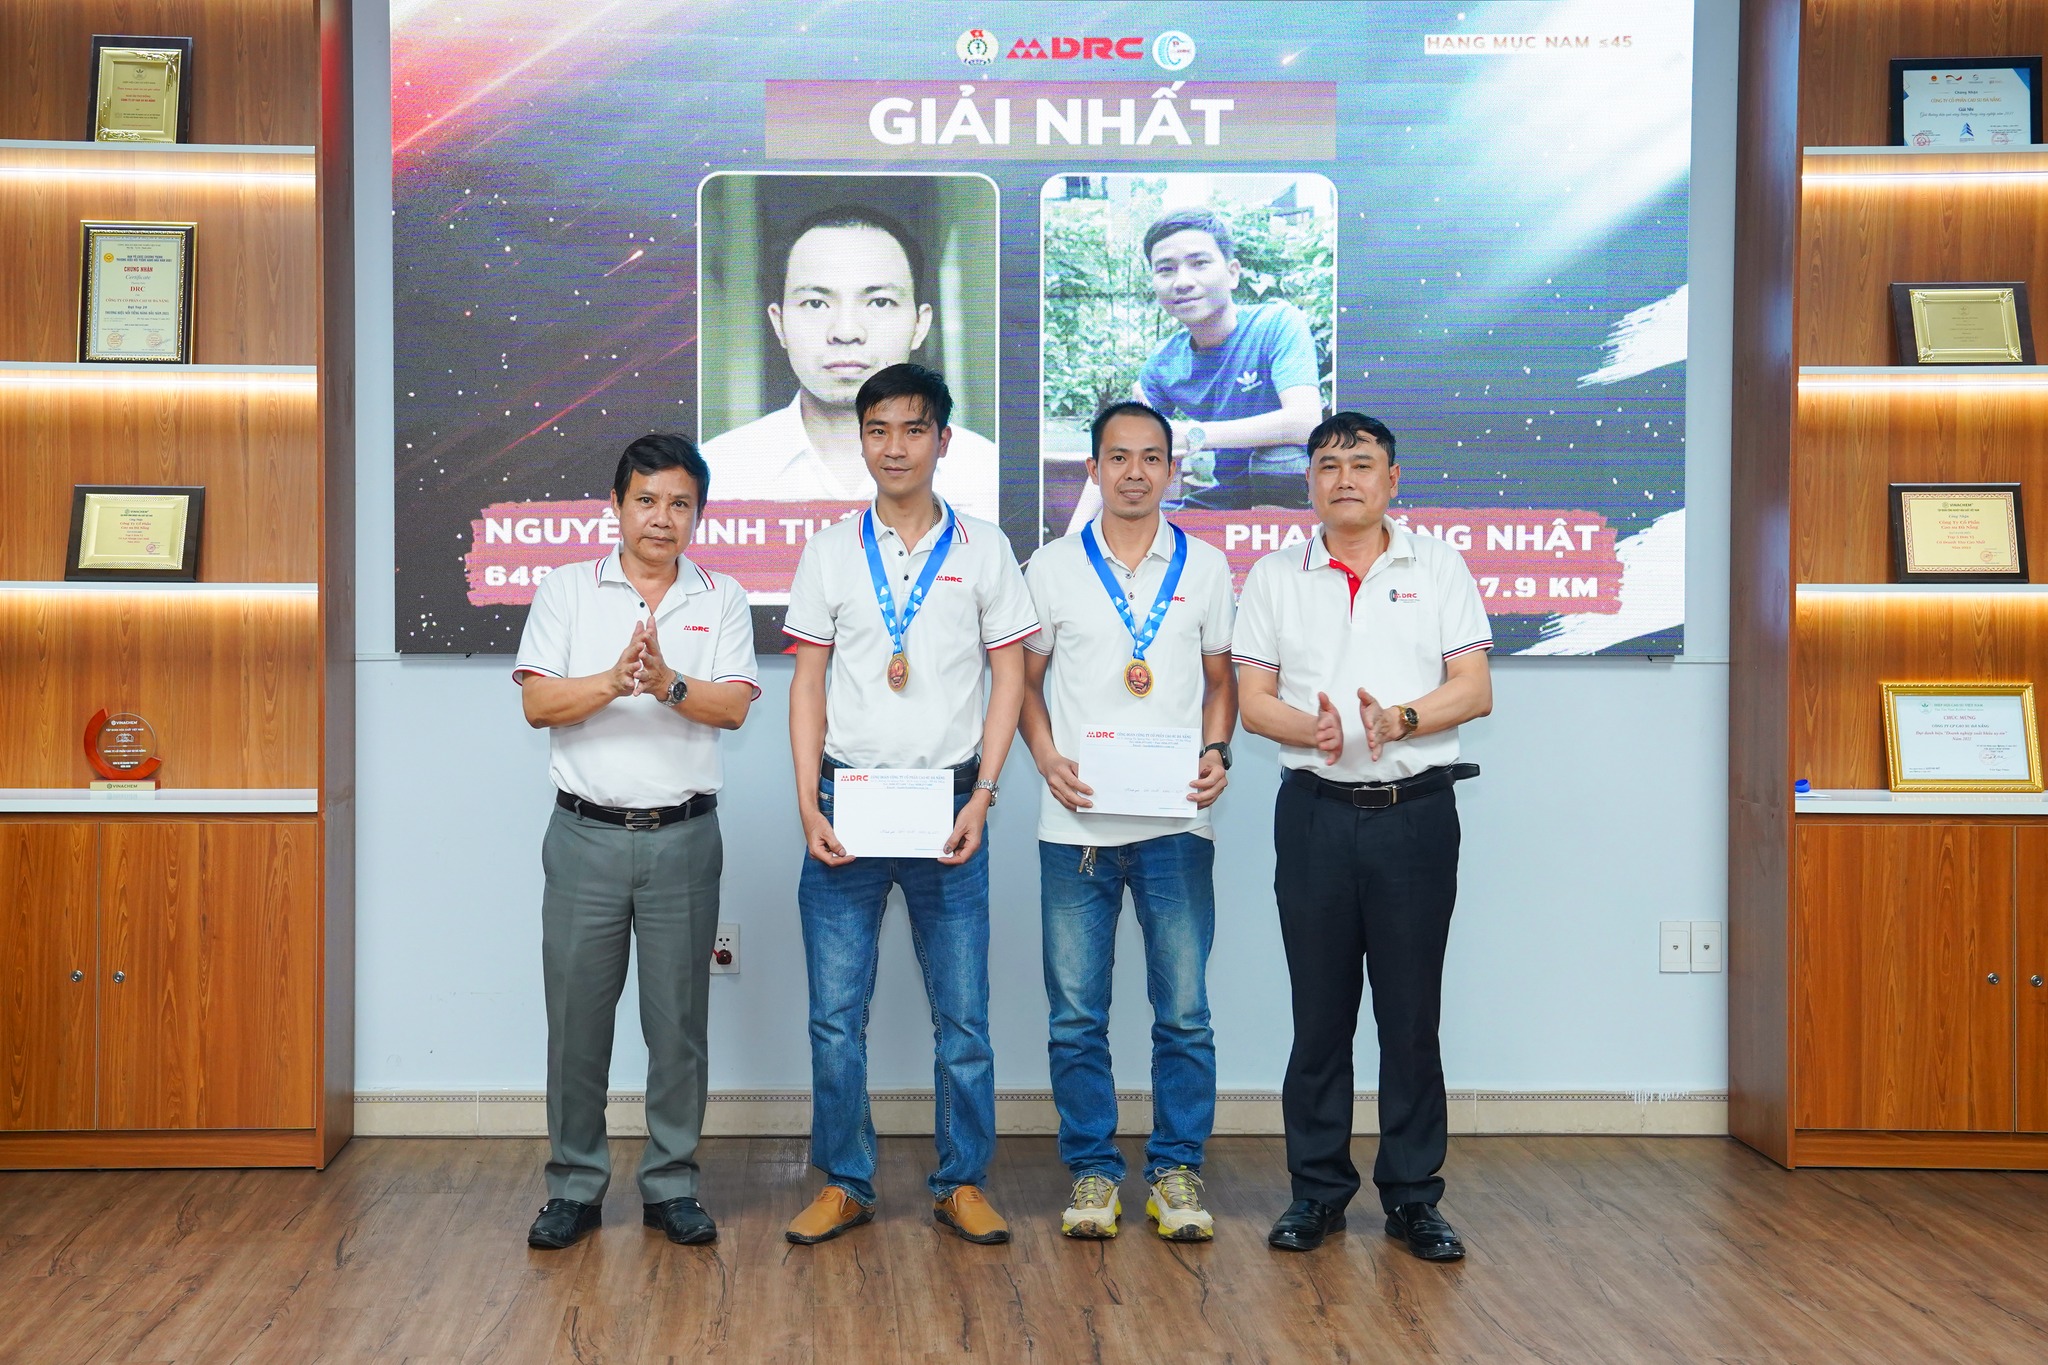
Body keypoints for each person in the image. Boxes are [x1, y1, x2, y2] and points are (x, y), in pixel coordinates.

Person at [780, 362, 1039, 1246]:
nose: (896, 447)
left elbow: (1009, 677)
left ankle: (961, 1181)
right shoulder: (829, 550)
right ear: (861, 440)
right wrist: (807, 803)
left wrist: (986, 794)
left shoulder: (986, 548)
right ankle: (846, 1180)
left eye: (913, 428)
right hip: (845, 803)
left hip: (951, 806)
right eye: (878, 429)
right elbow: (807, 684)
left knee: (963, 1019)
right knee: (834, 1018)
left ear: (943, 440)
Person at [1232, 412, 1493, 1261]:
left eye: (1362, 463)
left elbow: (1474, 687)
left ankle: (1414, 1197)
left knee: (1411, 1017)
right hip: (1313, 815)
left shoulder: (1438, 564)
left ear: (1392, 479)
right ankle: (1316, 1193)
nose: (1344, 478)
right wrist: (1312, 730)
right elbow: (1254, 701)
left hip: (1415, 815)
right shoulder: (1274, 575)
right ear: (1308, 481)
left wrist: (1401, 718)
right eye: (1328, 465)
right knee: (1320, 1015)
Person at [511, 433, 761, 1250]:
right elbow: (538, 704)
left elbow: (732, 707)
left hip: (682, 839)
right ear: (616, 506)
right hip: (584, 835)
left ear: (699, 514)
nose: (662, 517)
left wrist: (667, 682)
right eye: (646, 500)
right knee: (576, 1023)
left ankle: (671, 1184)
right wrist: (617, 680)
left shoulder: (722, 596)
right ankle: (574, 1186)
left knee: (677, 1025)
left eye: (680, 503)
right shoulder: (566, 589)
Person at [1019, 401, 1238, 1242]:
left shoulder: (1206, 567)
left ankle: (1177, 1169)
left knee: (1183, 1011)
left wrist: (1216, 749)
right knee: (1076, 1015)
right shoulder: (1050, 567)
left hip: (1175, 826)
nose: (1135, 472)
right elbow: (1024, 683)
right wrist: (1047, 757)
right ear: (1094, 469)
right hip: (1075, 828)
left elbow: (1221, 681)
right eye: (1119, 457)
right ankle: (1093, 1170)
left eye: (1152, 457)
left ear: (1172, 471)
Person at [701, 203, 998, 518]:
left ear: (919, 325)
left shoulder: (986, 476)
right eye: (815, 303)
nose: (846, 332)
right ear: (779, 324)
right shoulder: (714, 475)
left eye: (880, 302)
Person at [1066, 206, 1322, 530]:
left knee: (1279, 460)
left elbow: (1306, 422)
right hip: (1225, 501)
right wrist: (1070, 540)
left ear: (1232, 273)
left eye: (1199, 263)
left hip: (1302, 498)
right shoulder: (1164, 363)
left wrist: (1191, 436)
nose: (1182, 282)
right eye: (1166, 269)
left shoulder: (1277, 324)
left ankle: (1282, 555)